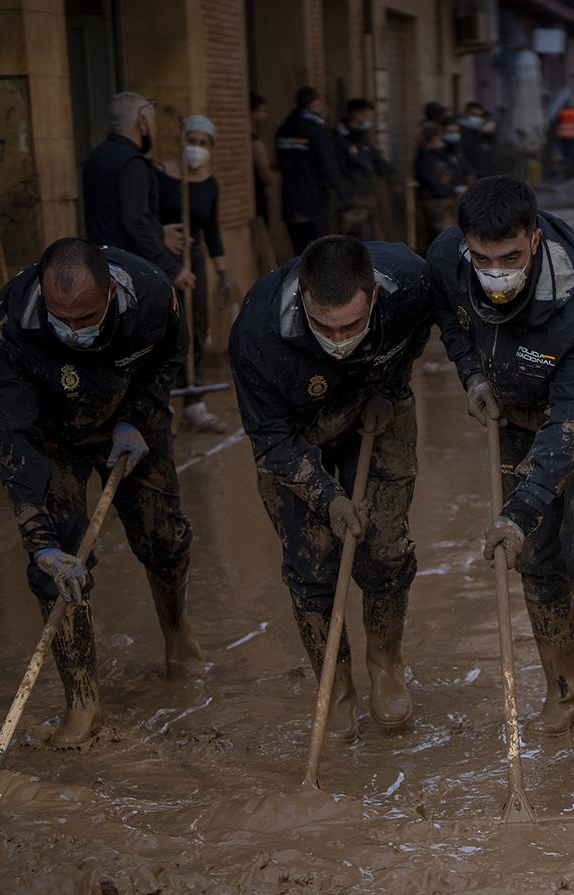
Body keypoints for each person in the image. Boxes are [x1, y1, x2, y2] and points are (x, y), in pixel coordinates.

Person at [426, 176, 574, 766]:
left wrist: (519, 509)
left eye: (510, 257)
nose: (495, 270)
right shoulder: (447, 258)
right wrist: (472, 373)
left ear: (535, 236)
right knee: (533, 557)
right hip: (516, 411)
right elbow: (449, 320)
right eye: (483, 258)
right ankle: (562, 694)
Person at [0, 238, 204, 748]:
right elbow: (11, 431)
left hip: (129, 422)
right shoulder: (13, 317)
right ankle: (82, 698)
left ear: (109, 291)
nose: (74, 331)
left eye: (86, 317)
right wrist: (37, 541)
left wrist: (137, 417)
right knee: (60, 562)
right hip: (51, 437)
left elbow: (168, 359)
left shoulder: (152, 295)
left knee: (163, 537)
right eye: (62, 319)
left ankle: (177, 630)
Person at [230, 236, 434, 739]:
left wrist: (390, 385)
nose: (339, 339)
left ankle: (385, 663)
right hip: (295, 435)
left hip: (376, 410)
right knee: (312, 564)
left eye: (352, 326)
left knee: (385, 548)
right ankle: (336, 684)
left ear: (374, 298)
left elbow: (417, 335)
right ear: (303, 297)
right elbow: (270, 440)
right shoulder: (256, 332)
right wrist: (329, 498)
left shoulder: (410, 283)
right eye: (324, 326)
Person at [157, 114, 232, 434]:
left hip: (195, 257)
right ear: (181, 140)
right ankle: (160, 405)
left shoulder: (209, 184)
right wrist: (160, 234)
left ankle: (194, 403)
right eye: (191, 141)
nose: (196, 148)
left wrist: (223, 272)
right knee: (163, 326)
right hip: (162, 257)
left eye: (202, 144)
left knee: (196, 328)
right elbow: (143, 217)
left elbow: (212, 230)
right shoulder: (160, 174)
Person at [81, 91, 191, 295]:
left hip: (101, 267)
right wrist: (172, 268)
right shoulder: (133, 163)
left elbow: (112, 213)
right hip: (127, 273)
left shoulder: (96, 157)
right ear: (142, 121)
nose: (156, 128)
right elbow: (135, 221)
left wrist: (159, 231)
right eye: (153, 120)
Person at [277, 86, 346, 254]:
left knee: (299, 254)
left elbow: (280, 164)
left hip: (291, 204)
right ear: (315, 104)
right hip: (314, 203)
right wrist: (346, 197)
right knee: (319, 256)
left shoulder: (283, 130)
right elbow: (328, 168)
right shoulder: (318, 132)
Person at [338, 98, 395, 241]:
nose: (370, 120)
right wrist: (348, 195)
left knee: (375, 239)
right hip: (353, 201)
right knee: (358, 240)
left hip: (369, 198)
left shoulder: (363, 140)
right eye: (368, 115)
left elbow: (379, 163)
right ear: (357, 115)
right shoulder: (339, 140)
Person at [414, 121, 463, 250]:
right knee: (446, 238)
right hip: (436, 203)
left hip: (450, 201)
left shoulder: (443, 154)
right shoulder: (425, 159)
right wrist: (452, 189)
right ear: (434, 138)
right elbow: (433, 184)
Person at [251, 93, 277, 226]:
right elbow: (267, 177)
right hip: (257, 199)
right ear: (252, 113)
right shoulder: (255, 142)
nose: (265, 115)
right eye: (262, 111)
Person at [460, 102, 499, 179]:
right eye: (473, 115)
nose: (476, 118)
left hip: (485, 176)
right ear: (465, 114)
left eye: (479, 116)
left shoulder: (483, 135)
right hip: (469, 178)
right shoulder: (461, 133)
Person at [554, 101, 574, 180]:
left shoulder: (561, 113)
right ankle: (571, 169)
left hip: (563, 136)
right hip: (573, 136)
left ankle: (566, 168)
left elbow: (555, 123)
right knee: (572, 153)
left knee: (565, 153)